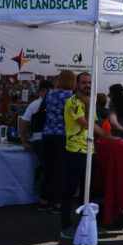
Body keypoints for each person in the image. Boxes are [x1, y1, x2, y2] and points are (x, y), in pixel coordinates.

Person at [59, 72, 118, 238]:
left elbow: (94, 126)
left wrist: (110, 137)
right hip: (74, 152)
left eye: (90, 83)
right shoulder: (73, 102)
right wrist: (87, 106)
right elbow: (85, 124)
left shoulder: (90, 102)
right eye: (84, 83)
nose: (87, 86)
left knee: (88, 191)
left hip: (89, 151)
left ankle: (88, 224)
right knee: (70, 190)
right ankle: (66, 226)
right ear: (77, 85)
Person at [41, 70, 76, 214]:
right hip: (63, 135)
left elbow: (40, 111)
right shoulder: (72, 96)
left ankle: (43, 201)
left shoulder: (48, 94)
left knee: (48, 169)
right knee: (60, 170)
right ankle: (57, 203)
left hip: (47, 133)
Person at [19, 79, 54, 211]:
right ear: (40, 92)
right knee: (49, 169)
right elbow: (24, 123)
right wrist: (24, 141)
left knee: (50, 169)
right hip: (43, 139)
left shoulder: (37, 104)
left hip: (45, 139)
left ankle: (46, 199)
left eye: (48, 91)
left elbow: (24, 123)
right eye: (44, 91)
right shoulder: (35, 104)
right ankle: (45, 200)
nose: (46, 93)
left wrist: (25, 140)